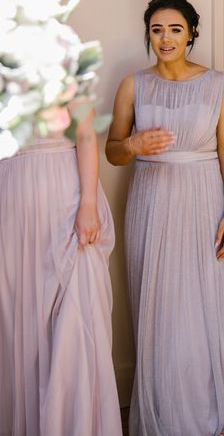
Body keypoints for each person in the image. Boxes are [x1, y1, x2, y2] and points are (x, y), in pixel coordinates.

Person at [106, 0, 224, 436]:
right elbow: (112, 150)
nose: (165, 38)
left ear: (191, 34)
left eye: (175, 29)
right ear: (148, 34)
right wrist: (131, 146)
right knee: (158, 304)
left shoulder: (216, 83)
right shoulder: (133, 85)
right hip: (151, 199)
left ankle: (211, 406)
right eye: (157, 30)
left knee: (204, 303)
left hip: (204, 199)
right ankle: (167, 408)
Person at [0, 110, 123, 436]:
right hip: (12, 203)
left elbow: (84, 134)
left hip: (65, 202)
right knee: (22, 325)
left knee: (77, 319)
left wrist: (88, 203)